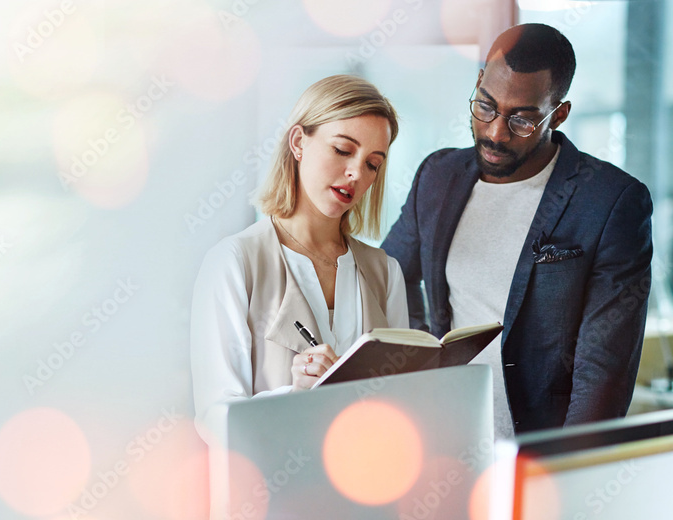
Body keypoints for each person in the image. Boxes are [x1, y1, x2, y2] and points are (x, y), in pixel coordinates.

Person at [382, 23, 653, 437]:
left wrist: (566, 476)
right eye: (485, 106)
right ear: (477, 83)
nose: (495, 132)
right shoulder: (438, 176)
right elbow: (386, 281)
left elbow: (602, 373)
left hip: (537, 454)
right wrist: (422, 359)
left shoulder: (611, 202)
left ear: (557, 115)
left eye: (522, 121)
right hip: (442, 437)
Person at [190, 75, 410, 447]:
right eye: (343, 150)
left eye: (373, 163)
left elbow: (402, 405)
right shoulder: (234, 262)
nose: (356, 173)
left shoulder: (385, 273)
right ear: (298, 142)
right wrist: (296, 396)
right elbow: (215, 420)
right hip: (270, 498)